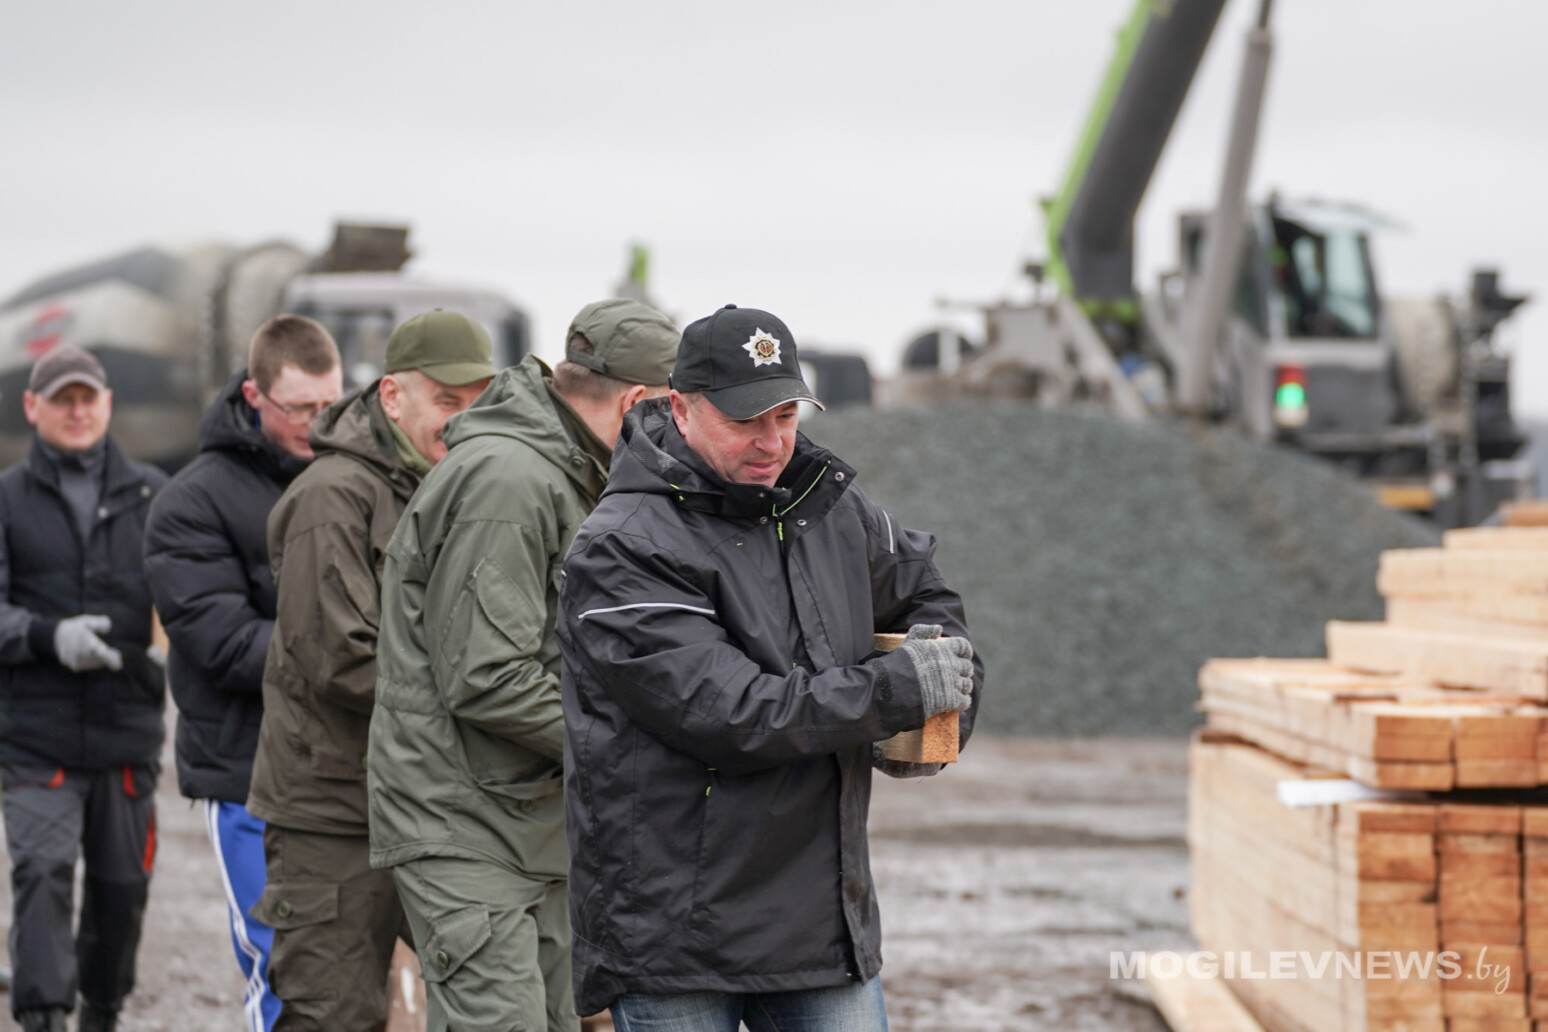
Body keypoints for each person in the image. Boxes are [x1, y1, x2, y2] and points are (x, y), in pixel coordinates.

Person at [556, 304, 983, 1029]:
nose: (772, 441)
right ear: (681, 409)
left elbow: (927, 598)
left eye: (786, 415)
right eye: (747, 420)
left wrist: (938, 723)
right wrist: (895, 694)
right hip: (676, 940)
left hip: (821, 922)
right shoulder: (622, 546)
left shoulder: (830, 508)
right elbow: (731, 714)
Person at [368, 298, 679, 1032]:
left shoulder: (567, 470)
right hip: (466, 822)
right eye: (675, 410)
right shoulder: (510, 482)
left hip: (529, 818)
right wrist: (628, 750)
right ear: (636, 402)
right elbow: (488, 676)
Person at [245, 309, 495, 1032]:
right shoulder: (334, 496)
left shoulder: (457, 486)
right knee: (334, 1013)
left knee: (493, 997)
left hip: (431, 800)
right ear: (393, 397)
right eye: (447, 402)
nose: (463, 421)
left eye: (478, 403)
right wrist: (486, 701)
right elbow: (342, 657)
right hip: (335, 809)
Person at [142, 315, 343, 1032]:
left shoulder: (355, 480)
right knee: (283, 973)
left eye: (332, 404)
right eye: (301, 409)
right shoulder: (189, 504)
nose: (320, 423)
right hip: (248, 776)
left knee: (360, 981)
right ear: (255, 396)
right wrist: (351, 658)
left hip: (351, 770)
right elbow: (222, 643)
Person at [0, 346, 169, 1032]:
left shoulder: (155, 494)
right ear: (31, 407)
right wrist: (48, 636)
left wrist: (178, 649)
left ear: (106, 404)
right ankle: (43, 1018)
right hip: (36, 737)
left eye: (87, 397)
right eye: (61, 399)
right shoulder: (6, 498)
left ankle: (103, 1009)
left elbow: (190, 596)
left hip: (127, 734)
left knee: (120, 891)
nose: (76, 410)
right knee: (41, 875)